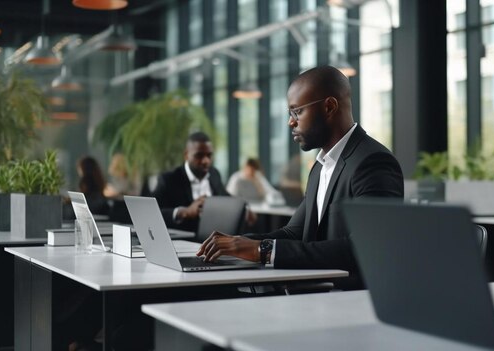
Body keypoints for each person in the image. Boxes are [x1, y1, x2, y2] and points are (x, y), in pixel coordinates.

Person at [197, 65, 404, 289]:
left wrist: (261, 250)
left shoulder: (372, 162)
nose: (291, 122)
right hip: (317, 295)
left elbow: (365, 248)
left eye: (297, 112)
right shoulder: (320, 166)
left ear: (329, 107)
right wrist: (236, 243)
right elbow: (294, 232)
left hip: (352, 302)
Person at [152, 131, 230, 233]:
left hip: (216, 237)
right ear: (186, 155)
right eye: (199, 155)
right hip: (186, 240)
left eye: (209, 155)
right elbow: (152, 213)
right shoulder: (169, 179)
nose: (206, 161)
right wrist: (184, 212)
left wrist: (244, 208)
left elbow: (226, 196)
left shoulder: (214, 174)